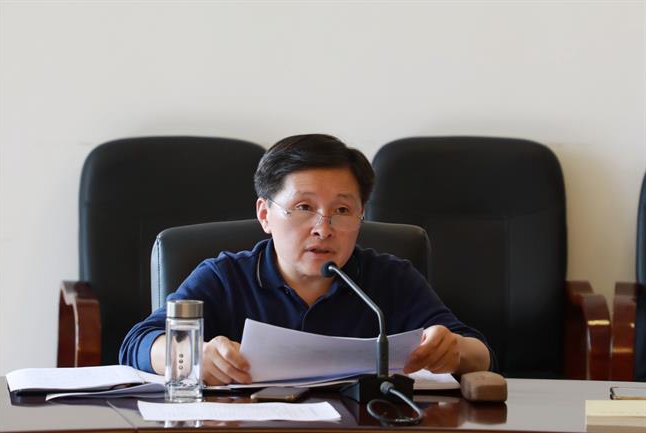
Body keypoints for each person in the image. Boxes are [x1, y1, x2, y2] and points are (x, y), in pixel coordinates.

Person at [119, 134, 496, 385]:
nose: (323, 228)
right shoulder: (224, 277)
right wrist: (195, 356)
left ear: (361, 216)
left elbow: (479, 352)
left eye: (342, 210)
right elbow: (137, 343)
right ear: (265, 215)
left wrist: (453, 351)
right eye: (303, 207)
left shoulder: (390, 278)